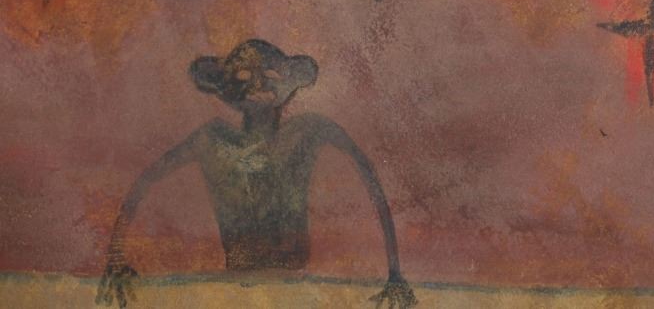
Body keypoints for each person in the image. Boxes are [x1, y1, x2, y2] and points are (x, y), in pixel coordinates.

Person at [96, 39, 415, 308]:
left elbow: (368, 176)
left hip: (293, 284)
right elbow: (146, 181)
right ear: (222, 87)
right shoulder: (212, 139)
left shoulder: (308, 131)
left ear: (292, 81)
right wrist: (115, 257)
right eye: (244, 75)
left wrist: (395, 273)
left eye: (270, 75)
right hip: (239, 286)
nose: (258, 84)